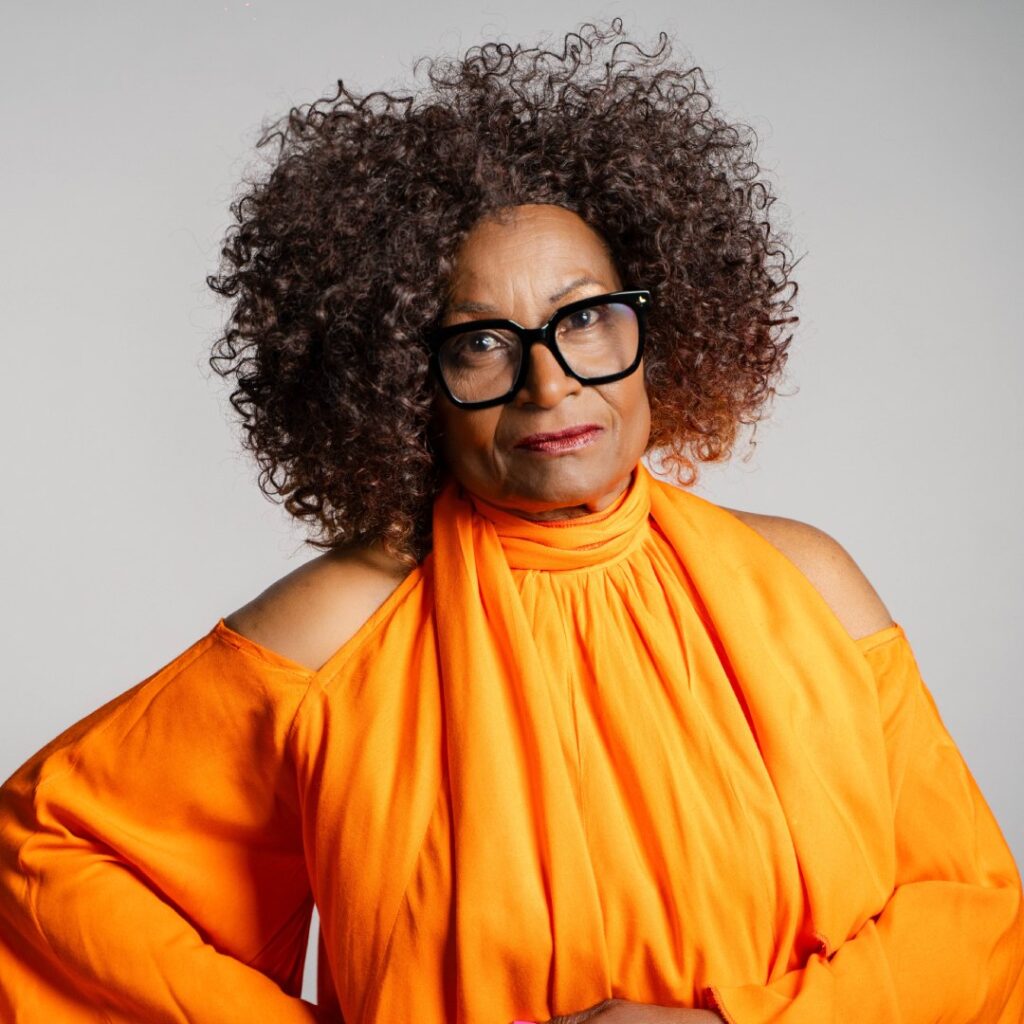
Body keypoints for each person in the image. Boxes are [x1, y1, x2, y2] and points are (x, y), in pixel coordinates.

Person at [1, 18, 1022, 1024]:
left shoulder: (809, 583)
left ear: (658, 328)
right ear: (407, 382)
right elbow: (46, 861)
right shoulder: (339, 632)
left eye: (585, 317)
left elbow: (970, 914)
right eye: (481, 341)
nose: (549, 382)